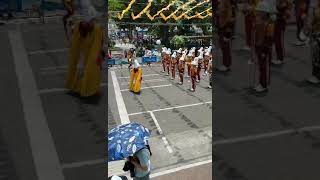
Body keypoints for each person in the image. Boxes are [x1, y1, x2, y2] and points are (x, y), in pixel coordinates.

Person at [65, 6, 104, 98]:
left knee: (90, 70)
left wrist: (94, 57)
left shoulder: (97, 29)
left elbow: (97, 45)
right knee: (80, 70)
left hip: (93, 53)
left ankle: (89, 90)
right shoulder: (80, 26)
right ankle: (79, 88)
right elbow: (75, 36)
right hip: (83, 52)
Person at [253, 1, 275, 92]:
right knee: (260, 66)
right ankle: (261, 82)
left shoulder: (269, 25)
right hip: (258, 45)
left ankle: (264, 84)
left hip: (264, 48)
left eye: (259, 11)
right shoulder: (260, 21)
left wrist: (265, 49)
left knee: (264, 66)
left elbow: (269, 39)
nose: (257, 13)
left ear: (265, 13)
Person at [272, 0, 292, 65]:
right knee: (276, 40)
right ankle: (278, 57)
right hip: (276, 23)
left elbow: (288, 15)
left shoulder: (286, 3)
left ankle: (281, 58)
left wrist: (283, 16)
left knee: (279, 40)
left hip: (281, 24)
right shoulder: (277, 2)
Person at [217, 0, 234, 72]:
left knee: (225, 46)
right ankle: (225, 63)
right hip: (222, 26)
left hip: (225, 27)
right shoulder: (222, 2)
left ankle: (226, 64)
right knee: (223, 46)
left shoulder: (226, 2)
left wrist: (224, 25)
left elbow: (229, 16)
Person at [307, 0, 320, 84]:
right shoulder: (315, 4)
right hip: (316, 33)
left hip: (317, 33)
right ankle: (316, 75)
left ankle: (317, 76)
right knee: (315, 55)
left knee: (316, 55)